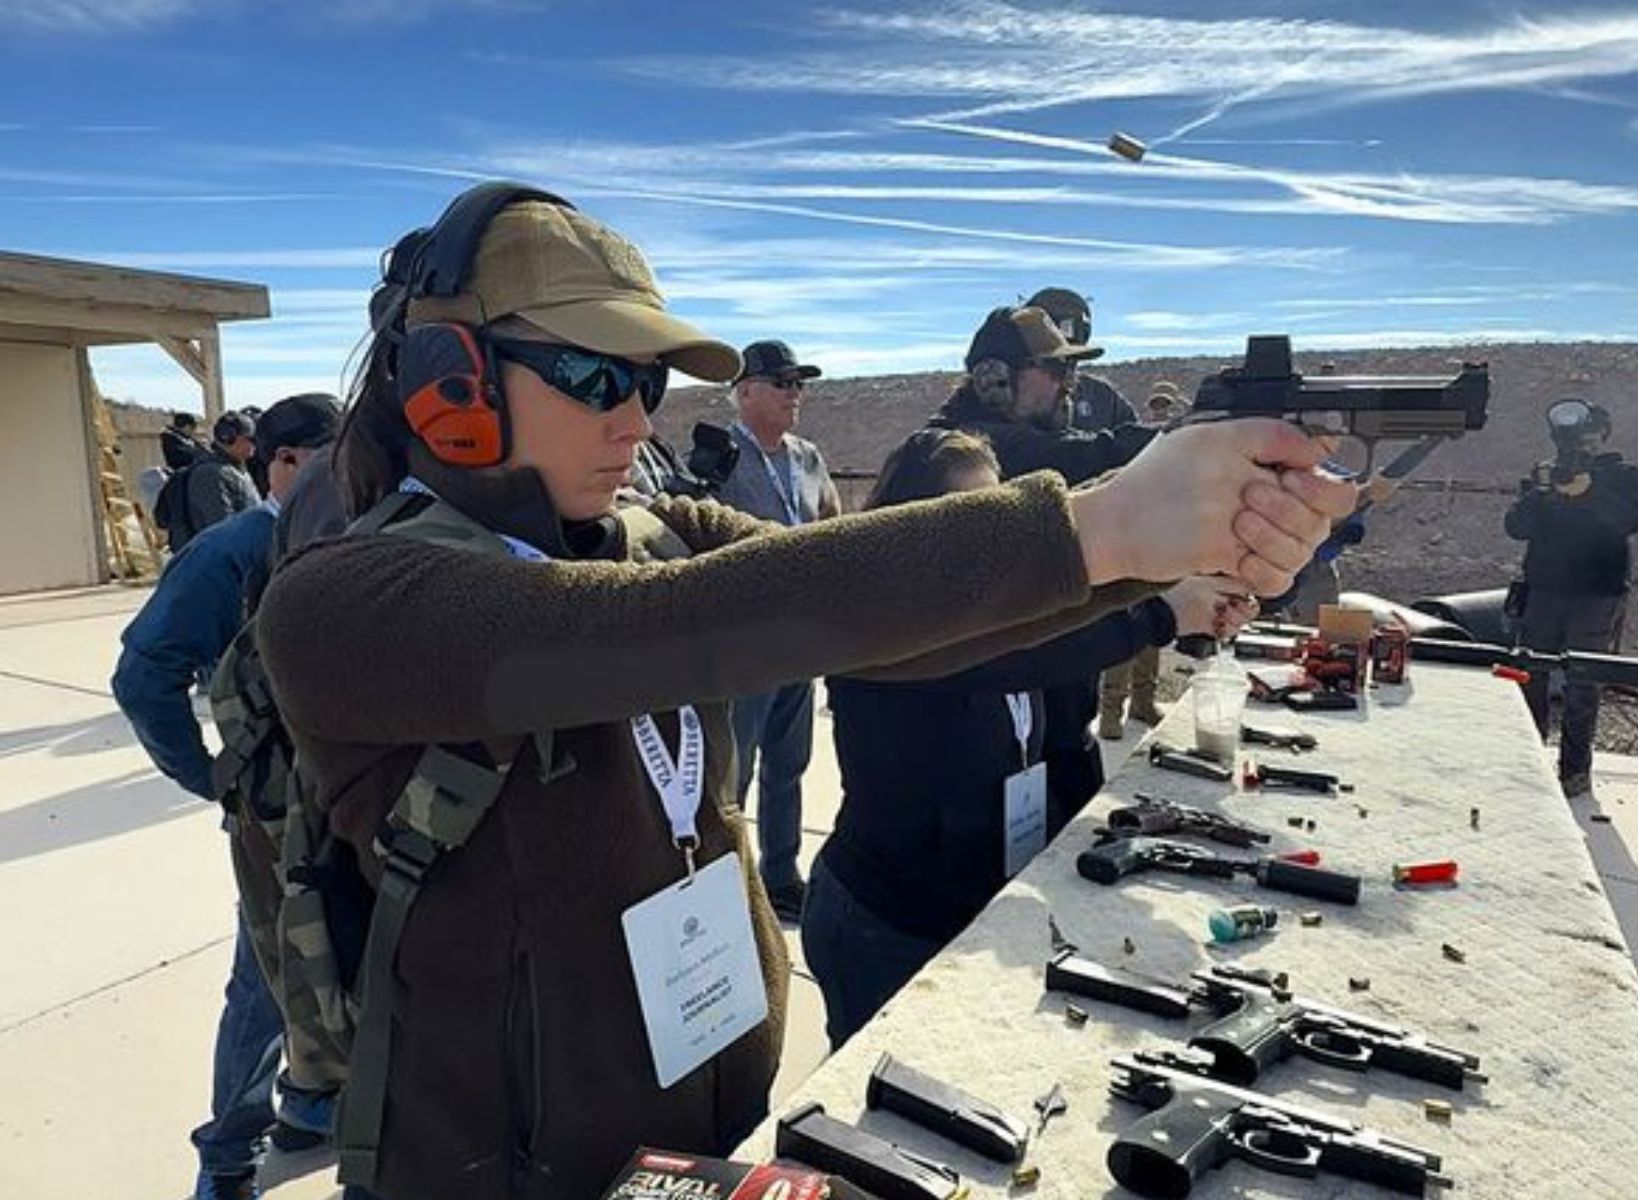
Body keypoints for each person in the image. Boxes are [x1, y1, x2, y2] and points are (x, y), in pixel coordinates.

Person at [253, 182, 1353, 1200]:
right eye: (592, 373)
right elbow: (664, 630)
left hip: (700, 1119)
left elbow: (880, 626)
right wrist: (1101, 523)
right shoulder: (343, 604)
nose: (632, 415)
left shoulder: (645, 533)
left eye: (646, 379)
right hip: (498, 1171)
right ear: (449, 376)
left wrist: (1145, 557)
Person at [804, 429, 1259, 1045]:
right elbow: (999, 660)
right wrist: (1159, 613)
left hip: (974, 914)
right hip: (885, 925)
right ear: (909, 531)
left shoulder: (1006, 625)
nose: (987, 548)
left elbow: (1065, 731)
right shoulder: (887, 628)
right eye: (963, 523)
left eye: (998, 523)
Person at [110, 393, 342, 1200]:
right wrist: (206, 774)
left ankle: (313, 1103)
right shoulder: (239, 550)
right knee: (268, 980)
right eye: (329, 459)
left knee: (345, 962)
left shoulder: (358, 538)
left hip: (358, 802)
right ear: (281, 463)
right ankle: (228, 1156)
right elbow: (144, 675)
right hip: (277, 818)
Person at [932, 304, 1165, 823]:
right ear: (994, 378)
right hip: (997, 741)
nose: (1071, 384)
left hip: (1055, 716)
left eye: (1073, 370)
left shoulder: (1013, 444)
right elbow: (1085, 456)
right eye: (1056, 370)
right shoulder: (953, 452)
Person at [711, 339, 841, 921]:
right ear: (744, 392)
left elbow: (829, 522)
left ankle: (781, 874)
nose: (795, 393)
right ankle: (727, 882)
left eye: (799, 383)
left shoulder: (808, 456)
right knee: (734, 770)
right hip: (744, 645)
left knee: (790, 763)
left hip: (800, 642)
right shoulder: (720, 458)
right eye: (782, 382)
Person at [1505, 398, 1638, 799]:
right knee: (1530, 677)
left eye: (1589, 437)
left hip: (1595, 595)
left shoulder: (1624, 477)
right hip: (1544, 592)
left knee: (1583, 684)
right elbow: (1516, 526)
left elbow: (1629, 521)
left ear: (1602, 436)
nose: (1582, 446)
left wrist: (1589, 493)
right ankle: (1529, 760)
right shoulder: (1545, 475)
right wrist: (1542, 493)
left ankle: (1574, 770)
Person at [1096, 380, 1187, 739]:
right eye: (1156, 406)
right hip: (1129, 552)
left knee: (1152, 634)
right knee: (1124, 636)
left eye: (1167, 407)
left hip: (1163, 553)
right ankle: (1110, 712)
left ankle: (1142, 702)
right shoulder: (1135, 447)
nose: (1160, 413)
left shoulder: (1178, 454)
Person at [1026, 286, 1138, 431]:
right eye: (1049, 363)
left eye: (1069, 360)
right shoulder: (1004, 398)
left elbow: (1137, 441)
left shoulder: (1102, 397)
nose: (1061, 376)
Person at [165, 410, 261, 553]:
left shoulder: (235, 468)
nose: (255, 444)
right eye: (251, 439)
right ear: (228, 438)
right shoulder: (210, 475)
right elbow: (222, 530)